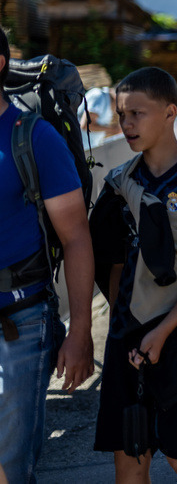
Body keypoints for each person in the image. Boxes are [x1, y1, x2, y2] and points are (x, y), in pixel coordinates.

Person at [91, 67, 177, 483]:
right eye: (121, 115)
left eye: (138, 113)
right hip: (129, 342)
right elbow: (111, 260)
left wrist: (163, 330)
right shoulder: (119, 185)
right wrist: (124, 328)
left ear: (171, 112)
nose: (127, 124)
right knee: (130, 463)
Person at [0, 29, 95, 483]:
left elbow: (76, 238)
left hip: (21, 322)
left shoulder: (34, 139)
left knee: (11, 469)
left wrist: (80, 333)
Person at [79, 85, 120, 149]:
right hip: (77, 149)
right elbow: (85, 125)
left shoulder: (108, 105)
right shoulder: (99, 97)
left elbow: (98, 132)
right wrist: (113, 129)